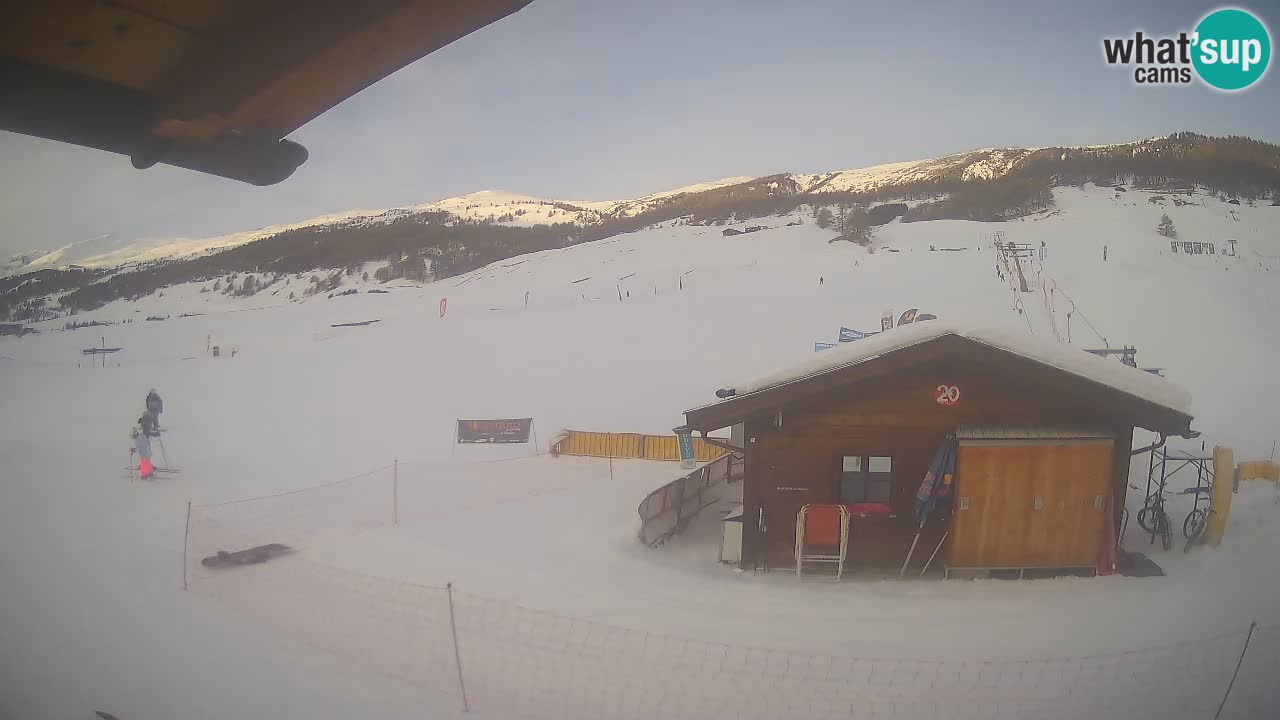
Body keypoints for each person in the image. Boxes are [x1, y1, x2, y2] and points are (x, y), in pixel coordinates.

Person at [133, 409, 160, 479]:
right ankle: (145, 473)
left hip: (145, 439)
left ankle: (149, 470)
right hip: (143, 438)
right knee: (145, 456)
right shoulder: (145, 421)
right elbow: (146, 430)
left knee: (147, 455)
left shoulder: (148, 420)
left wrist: (155, 432)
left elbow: (150, 429)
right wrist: (154, 433)